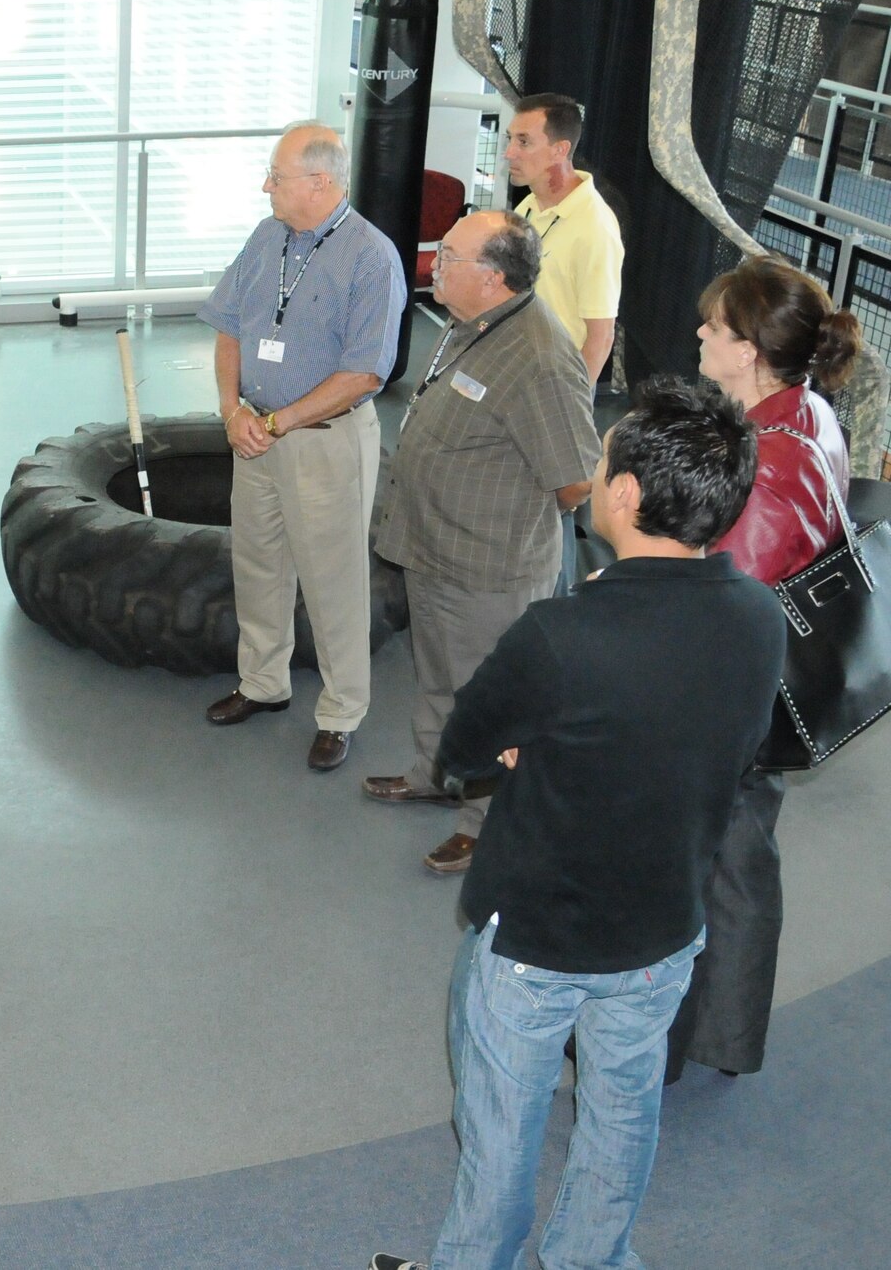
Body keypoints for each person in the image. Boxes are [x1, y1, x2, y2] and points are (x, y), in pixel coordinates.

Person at [371, 378, 786, 1270]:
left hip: (536, 938)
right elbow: (722, 742)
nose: (595, 472)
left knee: (501, 1131)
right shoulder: (759, 618)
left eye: (603, 460)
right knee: (623, 1113)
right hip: (665, 931)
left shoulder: (561, 633)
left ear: (627, 496)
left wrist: (533, 744)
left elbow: (465, 744)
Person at [665, 256, 859, 1084]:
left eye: (715, 325)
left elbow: (721, 608)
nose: (701, 332)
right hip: (775, 686)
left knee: (695, 867)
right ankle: (723, 1035)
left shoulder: (768, 464)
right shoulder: (809, 415)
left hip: (730, 701)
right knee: (740, 861)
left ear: (748, 351)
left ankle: (664, 1043)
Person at [366, 211, 597, 876]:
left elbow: (576, 481)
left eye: (451, 255)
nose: (435, 260)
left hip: (487, 570)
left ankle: (484, 824)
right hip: (433, 550)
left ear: (492, 278)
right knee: (438, 679)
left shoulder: (540, 359)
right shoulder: (474, 325)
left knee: (489, 701)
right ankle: (435, 775)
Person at [200, 121, 403, 772]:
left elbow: (366, 373)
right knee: (258, 566)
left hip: (321, 442)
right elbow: (229, 326)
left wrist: (280, 421)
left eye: (276, 177)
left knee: (333, 579)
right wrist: (232, 410)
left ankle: (341, 711)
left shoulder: (372, 257)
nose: (266, 187)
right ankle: (262, 682)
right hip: (254, 435)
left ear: (320, 182)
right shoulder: (267, 238)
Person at [505, 92, 623, 387]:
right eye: (510, 139)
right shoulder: (527, 206)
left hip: (554, 386)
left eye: (523, 141)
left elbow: (601, 336)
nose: (509, 152)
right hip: (515, 372)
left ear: (560, 150)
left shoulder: (595, 228)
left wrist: (572, 402)